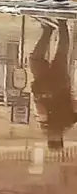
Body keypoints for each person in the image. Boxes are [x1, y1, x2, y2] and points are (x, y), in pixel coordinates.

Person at [29, 19, 75, 150]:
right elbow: (40, 109)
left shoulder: (68, 124)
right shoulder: (46, 126)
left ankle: (61, 24)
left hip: (61, 84)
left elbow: (75, 105)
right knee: (36, 59)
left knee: (61, 53)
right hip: (45, 85)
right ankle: (48, 30)